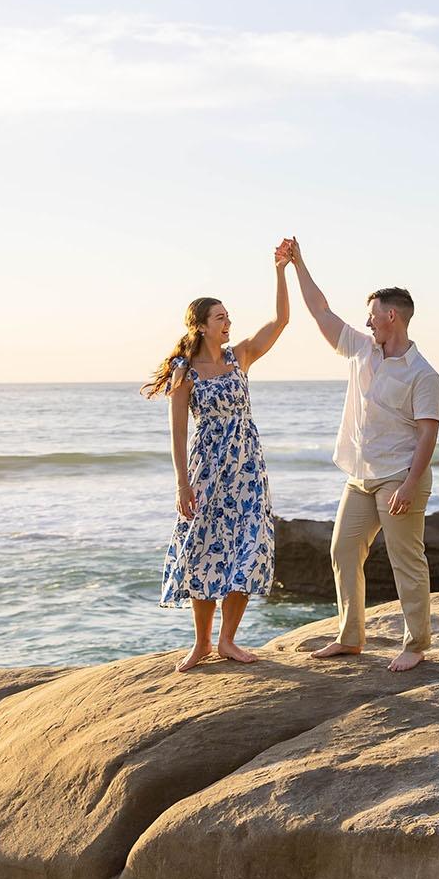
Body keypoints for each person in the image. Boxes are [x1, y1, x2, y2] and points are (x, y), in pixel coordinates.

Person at [281, 237, 439, 671]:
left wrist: (409, 484)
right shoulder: (360, 349)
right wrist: (298, 264)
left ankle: (416, 644)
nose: (366, 321)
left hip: (400, 478)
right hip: (360, 476)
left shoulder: (423, 374)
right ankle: (351, 637)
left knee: (406, 559)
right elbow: (320, 310)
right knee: (344, 549)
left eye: (372, 314)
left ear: (391, 316)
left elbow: (428, 436)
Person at [140, 249, 290, 672]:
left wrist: (281, 271)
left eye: (228, 316)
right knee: (203, 549)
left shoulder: (239, 356)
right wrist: (181, 484)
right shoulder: (183, 370)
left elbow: (280, 321)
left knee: (250, 546)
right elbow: (178, 430)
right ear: (201, 326)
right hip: (206, 469)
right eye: (221, 317)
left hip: (247, 468)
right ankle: (202, 643)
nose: (229, 322)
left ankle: (228, 641)